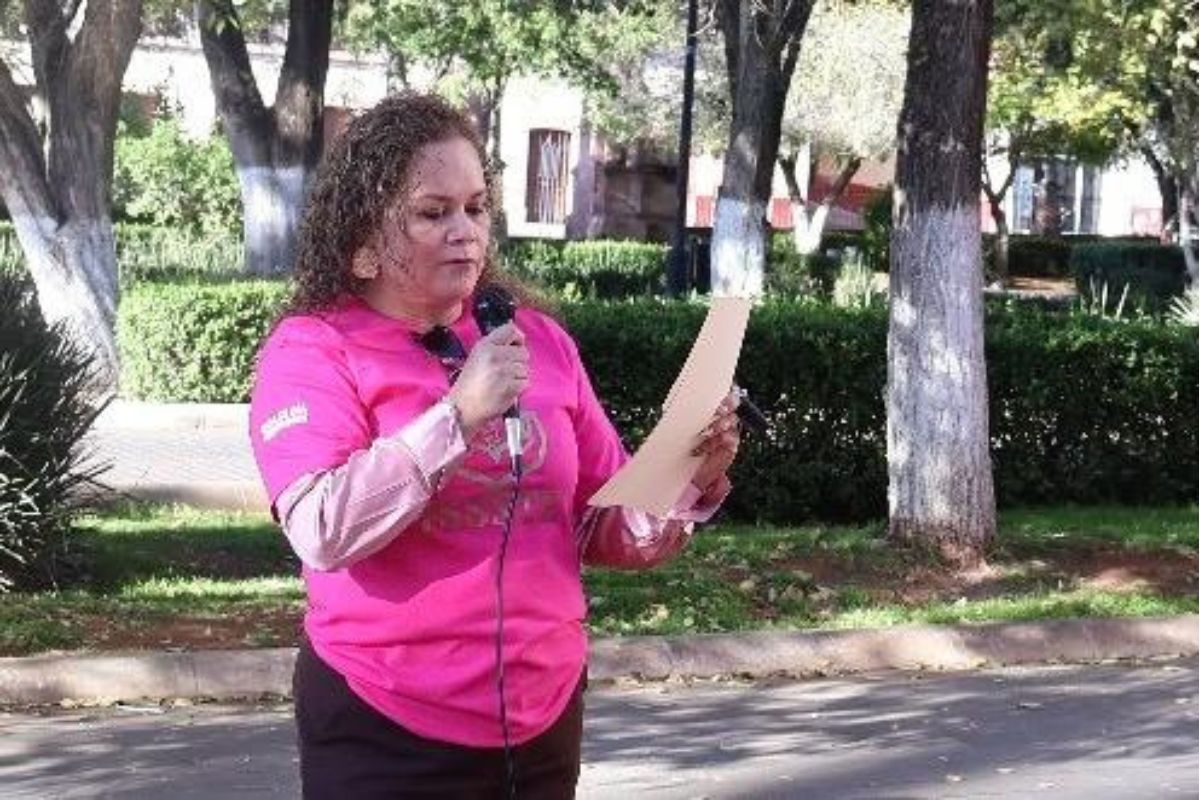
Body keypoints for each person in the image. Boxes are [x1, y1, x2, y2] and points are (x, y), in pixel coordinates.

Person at [248, 92, 742, 799]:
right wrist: (456, 416)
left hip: (540, 720)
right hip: (386, 721)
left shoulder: (539, 342)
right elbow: (322, 529)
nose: (466, 232)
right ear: (361, 246)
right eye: (432, 211)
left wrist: (693, 471)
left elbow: (605, 528)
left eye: (477, 208)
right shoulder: (314, 351)